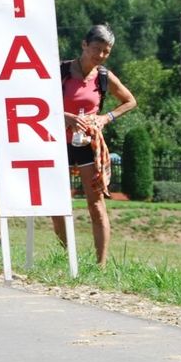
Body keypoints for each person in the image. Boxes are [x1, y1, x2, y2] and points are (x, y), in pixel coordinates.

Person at [51, 24, 137, 267]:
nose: (99, 55)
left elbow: (130, 101)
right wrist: (64, 116)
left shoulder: (103, 76)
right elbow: (39, 103)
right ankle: (67, 258)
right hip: (59, 141)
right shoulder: (61, 71)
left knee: (96, 203)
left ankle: (101, 265)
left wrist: (104, 118)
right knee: (58, 202)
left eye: (105, 51)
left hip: (88, 143)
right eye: (96, 49)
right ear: (84, 45)